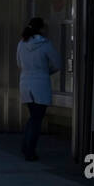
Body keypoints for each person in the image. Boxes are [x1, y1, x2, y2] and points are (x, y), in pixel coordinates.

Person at [17, 16, 62, 161]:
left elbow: (19, 63)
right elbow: (57, 63)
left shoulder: (21, 43)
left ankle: (26, 146)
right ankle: (29, 150)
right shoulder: (45, 44)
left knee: (33, 116)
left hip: (25, 83)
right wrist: (45, 71)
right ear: (41, 28)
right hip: (41, 83)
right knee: (37, 118)